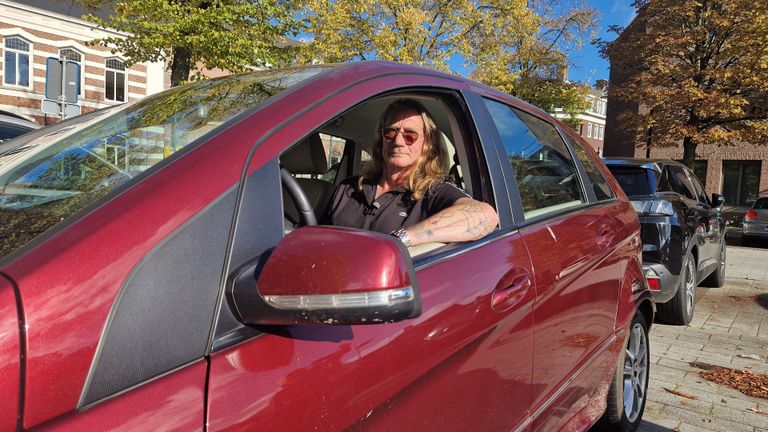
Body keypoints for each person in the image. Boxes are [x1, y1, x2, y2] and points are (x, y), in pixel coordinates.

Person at [322, 99, 499, 248]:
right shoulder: (348, 188)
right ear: (381, 140)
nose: (398, 141)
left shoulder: (433, 191)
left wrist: (401, 240)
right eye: (390, 133)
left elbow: (486, 215)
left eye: (410, 135)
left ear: (427, 143)